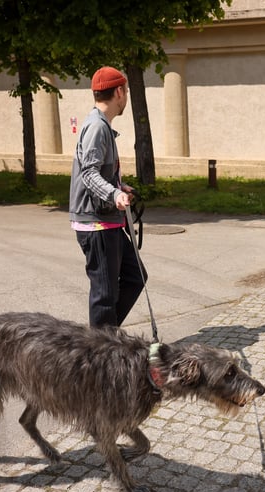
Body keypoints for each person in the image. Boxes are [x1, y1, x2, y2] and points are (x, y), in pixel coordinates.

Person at [69, 66, 146, 327]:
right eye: (125, 92)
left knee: (136, 277)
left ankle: (105, 337)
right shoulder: (96, 127)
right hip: (96, 224)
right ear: (119, 92)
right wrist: (114, 194)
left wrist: (119, 187)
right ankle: (97, 354)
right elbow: (89, 173)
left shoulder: (102, 126)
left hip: (107, 220)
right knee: (105, 295)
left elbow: (96, 172)